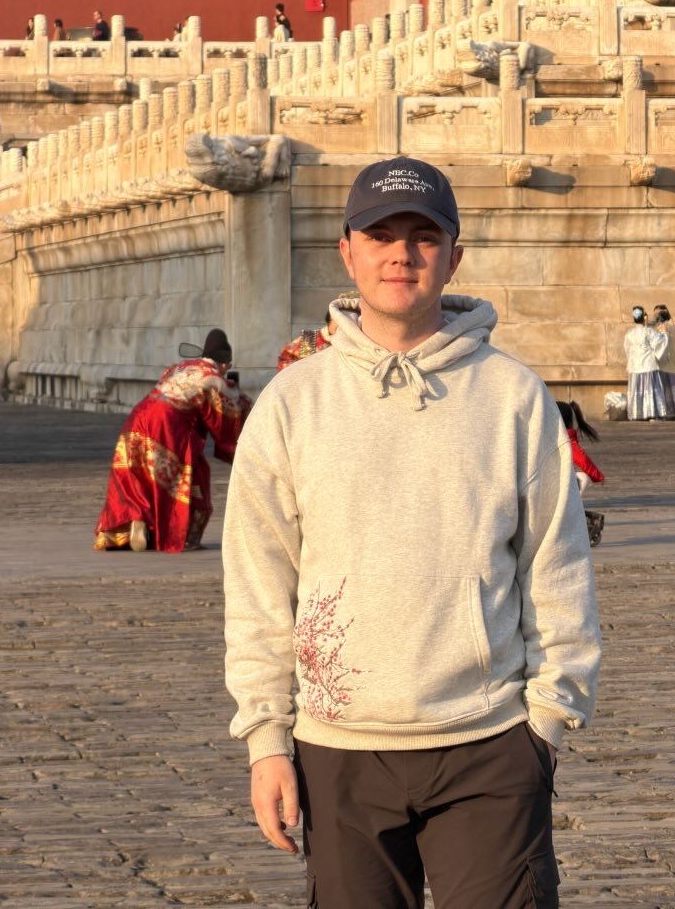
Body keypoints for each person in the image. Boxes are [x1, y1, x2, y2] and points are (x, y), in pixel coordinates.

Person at [223, 156, 601, 908]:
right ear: (348, 252)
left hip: (489, 741)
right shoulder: (293, 403)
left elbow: (555, 565)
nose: (402, 254)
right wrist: (266, 739)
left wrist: (548, 721)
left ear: (453, 257)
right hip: (339, 746)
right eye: (381, 235)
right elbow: (260, 584)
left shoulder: (513, 396)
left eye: (424, 236)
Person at [94, 328, 251, 554]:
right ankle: (183, 536)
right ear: (225, 363)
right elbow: (228, 415)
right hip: (168, 424)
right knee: (192, 476)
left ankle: (136, 521)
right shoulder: (214, 379)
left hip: (139, 417)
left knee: (137, 475)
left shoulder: (179, 367)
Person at [556, 399, 605, 548]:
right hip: (557, 483)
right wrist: (598, 476)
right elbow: (583, 460)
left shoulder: (547, 437)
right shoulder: (566, 440)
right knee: (583, 477)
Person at [623, 305, 669, 421]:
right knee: (650, 389)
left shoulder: (629, 333)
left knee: (637, 389)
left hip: (635, 366)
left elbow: (627, 349)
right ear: (644, 317)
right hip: (648, 365)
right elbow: (658, 343)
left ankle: (636, 413)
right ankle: (652, 413)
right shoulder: (648, 331)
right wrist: (665, 334)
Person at [652, 303, 675, 419]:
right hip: (674, 364)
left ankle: (665, 414)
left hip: (663, 364)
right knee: (674, 390)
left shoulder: (660, 328)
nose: (655, 316)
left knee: (664, 390)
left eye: (656, 314)